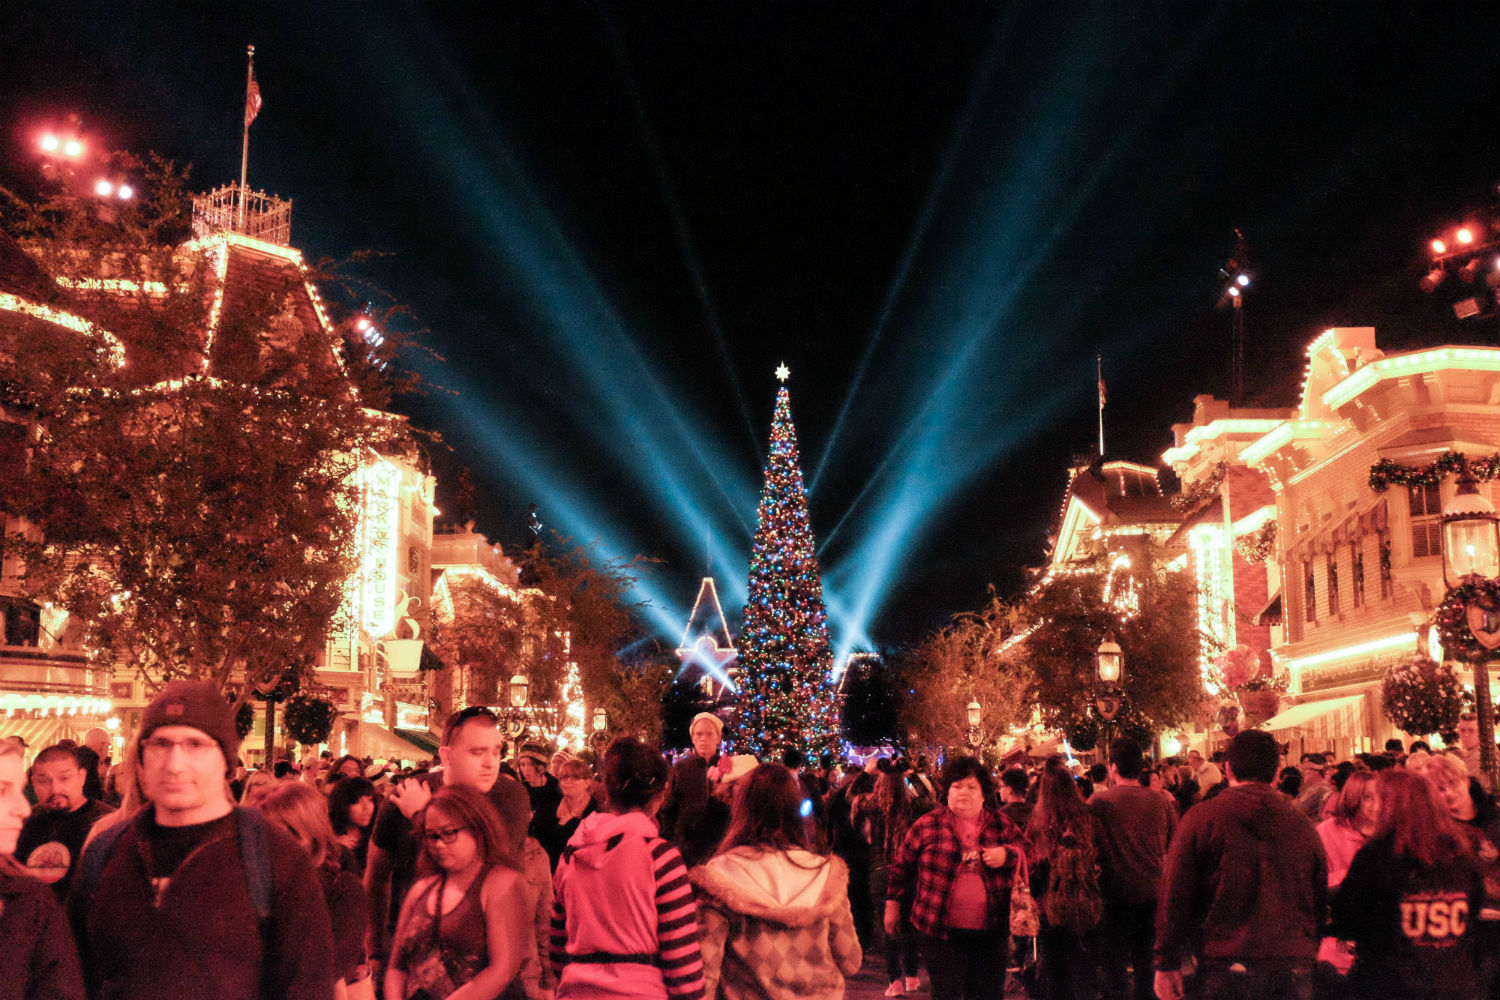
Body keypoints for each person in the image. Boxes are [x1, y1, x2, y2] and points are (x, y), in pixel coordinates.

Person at [69, 679, 334, 1000]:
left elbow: (306, 987)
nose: (175, 764)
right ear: (141, 758)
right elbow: (73, 975)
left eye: (195, 745)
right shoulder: (106, 851)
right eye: (161, 744)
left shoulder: (276, 858)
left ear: (226, 762)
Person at [1155, 729, 1327, 1000]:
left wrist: (1167, 962)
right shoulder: (1302, 826)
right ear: (1276, 772)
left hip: (1224, 963)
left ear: (1228, 769)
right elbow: (1317, 896)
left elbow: (1175, 893)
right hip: (1290, 965)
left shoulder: (1202, 820)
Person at [365, 706, 531, 967]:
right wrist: (373, 950)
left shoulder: (509, 798)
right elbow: (376, 878)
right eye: (478, 752)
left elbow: (480, 870)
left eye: (496, 752)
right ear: (447, 755)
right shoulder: (406, 793)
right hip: (414, 951)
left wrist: (422, 815)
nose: (490, 762)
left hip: (483, 955)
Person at [690, 762, 862, 999]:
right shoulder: (825, 874)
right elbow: (851, 960)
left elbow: (704, 973)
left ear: (742, 809)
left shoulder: (720, 877)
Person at [550, 737, 706, 999]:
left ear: (607, 792)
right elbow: (683, 965)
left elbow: (556, 950)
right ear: (661, 795)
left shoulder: (572, 854)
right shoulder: (660, 858)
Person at [1331, 768, 1483, 1000]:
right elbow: (1473, 910)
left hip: (1390, 984)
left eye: (1378, 798)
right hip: (1455, 983)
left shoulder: (1377, 857)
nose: (1372, 807)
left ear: (1393, 805)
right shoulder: (1459, 854)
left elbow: (1348, 920)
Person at [885, 755, 1021, 1000]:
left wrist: (1007, 854)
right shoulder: (928, 824)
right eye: (957, 786)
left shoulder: (1001, 824)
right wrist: (892, 905)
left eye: (971, 787)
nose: (963, 793)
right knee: (946, 992)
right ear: (946, 791)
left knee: (987, 993)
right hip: (938, 929)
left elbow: (1029, 852)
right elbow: (900, 865)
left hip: (991, 929)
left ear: (983, 793)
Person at [384, 785, 530, 1000]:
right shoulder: (422, 889)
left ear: (477, 827)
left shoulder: (501, 882)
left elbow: (502, 971)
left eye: (449, 833)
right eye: (432, 836)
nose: (439, 844)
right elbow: (397, 966)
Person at [259, 781, 374, 1000]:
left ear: (310, 832)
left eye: (282, 834)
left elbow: (326, 967)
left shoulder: (342, 887)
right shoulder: (262, 882)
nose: (271, 845)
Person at [0, 733, 86, 1000]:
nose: (23, 809)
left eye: (65, 778)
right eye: (2, 790)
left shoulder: (29, 903)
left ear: (82, 776)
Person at [1089, 740, 1176, 1000]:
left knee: (1114, 963)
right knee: (1146, 962)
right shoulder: (1161, 802)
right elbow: (1173, 845)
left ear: (1113, 767)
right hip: (1152, 891)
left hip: (1114, 893)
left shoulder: (1099, 802)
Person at [1028, 757, 1104, 1000]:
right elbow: (1102, 855)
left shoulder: (1039, 823)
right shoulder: (1087, 818)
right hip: (1085, 901)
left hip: (1051, 908)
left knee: (1055, 972)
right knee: (1083, 970)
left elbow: (1032, 868)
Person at [14, 742, 115, 899]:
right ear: (33, 783)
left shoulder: (108, 824)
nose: (55, 789)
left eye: (65, 778)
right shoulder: (21, 823)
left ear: (82, 777)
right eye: (44, 781)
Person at [1314, 770, 1377, 992]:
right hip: (1337, 940)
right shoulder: (1326, 832)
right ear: (1354, 798)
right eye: (1368, 797)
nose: (1375, 804)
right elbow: (1315, 882)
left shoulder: (1388, 833)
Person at [863, 766, 920, 997]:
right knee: (908, 924)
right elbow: (929, 796)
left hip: (879, 871)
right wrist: (913, 773)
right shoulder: (912, 808)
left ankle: (894, 980)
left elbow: (848, 795)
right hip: (906, 871)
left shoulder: (872, 809)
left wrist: (867, 772)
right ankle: (913, 977)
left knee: (887, 927)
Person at [533, 756, 598, 872]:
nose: (567, 781)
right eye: (564, 778)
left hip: (583, 873)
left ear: (588, 782)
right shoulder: (551, 806)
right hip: (553, 871)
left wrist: (570, 825)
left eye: (575, 778)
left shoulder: (596, 811)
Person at [330, 777, 379, 874]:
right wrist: (334, 846)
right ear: (343, 804)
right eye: (357, 802)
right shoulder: (328, 834)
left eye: (370, 800)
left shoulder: (377, 837)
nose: (366, 807)